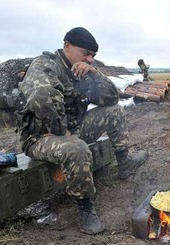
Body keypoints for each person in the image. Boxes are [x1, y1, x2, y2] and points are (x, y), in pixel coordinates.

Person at [15, 27, 148, 234]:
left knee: (113, 111)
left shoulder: (83, 70)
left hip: (72, 130)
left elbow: (112, 98)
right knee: (77, 148)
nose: (90, 59)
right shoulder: (46, 66)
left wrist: (95, 75)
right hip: (41, 137)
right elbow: (43, 97)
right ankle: (85, 206)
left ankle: (125, 163)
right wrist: (62, 132)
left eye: (93, 55)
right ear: (67, 46)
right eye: (85, 53)